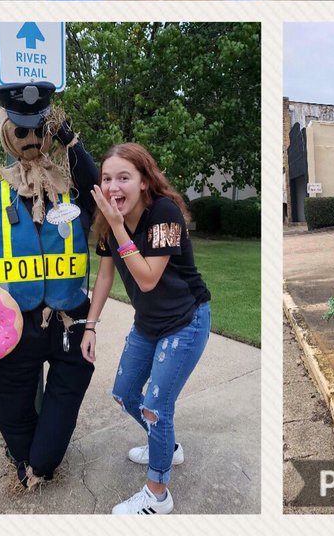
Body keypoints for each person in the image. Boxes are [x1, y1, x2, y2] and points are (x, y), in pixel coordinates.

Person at [0, 82, 98, 489]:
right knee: (11, 407)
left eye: (40, 130)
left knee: (64, 401)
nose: (33, 139)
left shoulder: (69, 191)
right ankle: (24, 458)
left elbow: (97, 193)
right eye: (23, 131)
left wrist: (71, 139)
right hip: (12, 330)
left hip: (70, 323)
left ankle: (41, 461)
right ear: (8, 132)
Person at [82, 143, 211, 515]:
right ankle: (167, 446)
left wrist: (120, 228)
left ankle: (158, 493)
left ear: (144, 181)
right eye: (107, 178)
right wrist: (91, 326)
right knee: (124, 394)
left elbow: (149, 278)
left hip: (186, 322)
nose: (113, 187)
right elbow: (106, 275)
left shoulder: (165, 214)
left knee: (156, 407)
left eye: (124, 177)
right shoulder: (109, 219)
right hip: (148, 324)